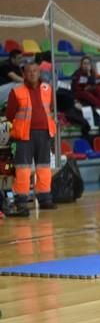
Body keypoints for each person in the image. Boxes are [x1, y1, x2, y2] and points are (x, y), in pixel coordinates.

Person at [4, 63, 58, 217]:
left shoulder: (48, 89)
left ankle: (45, 199)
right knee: (23, 169)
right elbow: (9, 115)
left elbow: (50, 109)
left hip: (44, 133)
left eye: (35, 71)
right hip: (23, 135)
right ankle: (21, 201)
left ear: (39, 72)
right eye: (29, 71)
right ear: (24, 73)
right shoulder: (16, 91)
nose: (32, 74)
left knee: (44, 167)